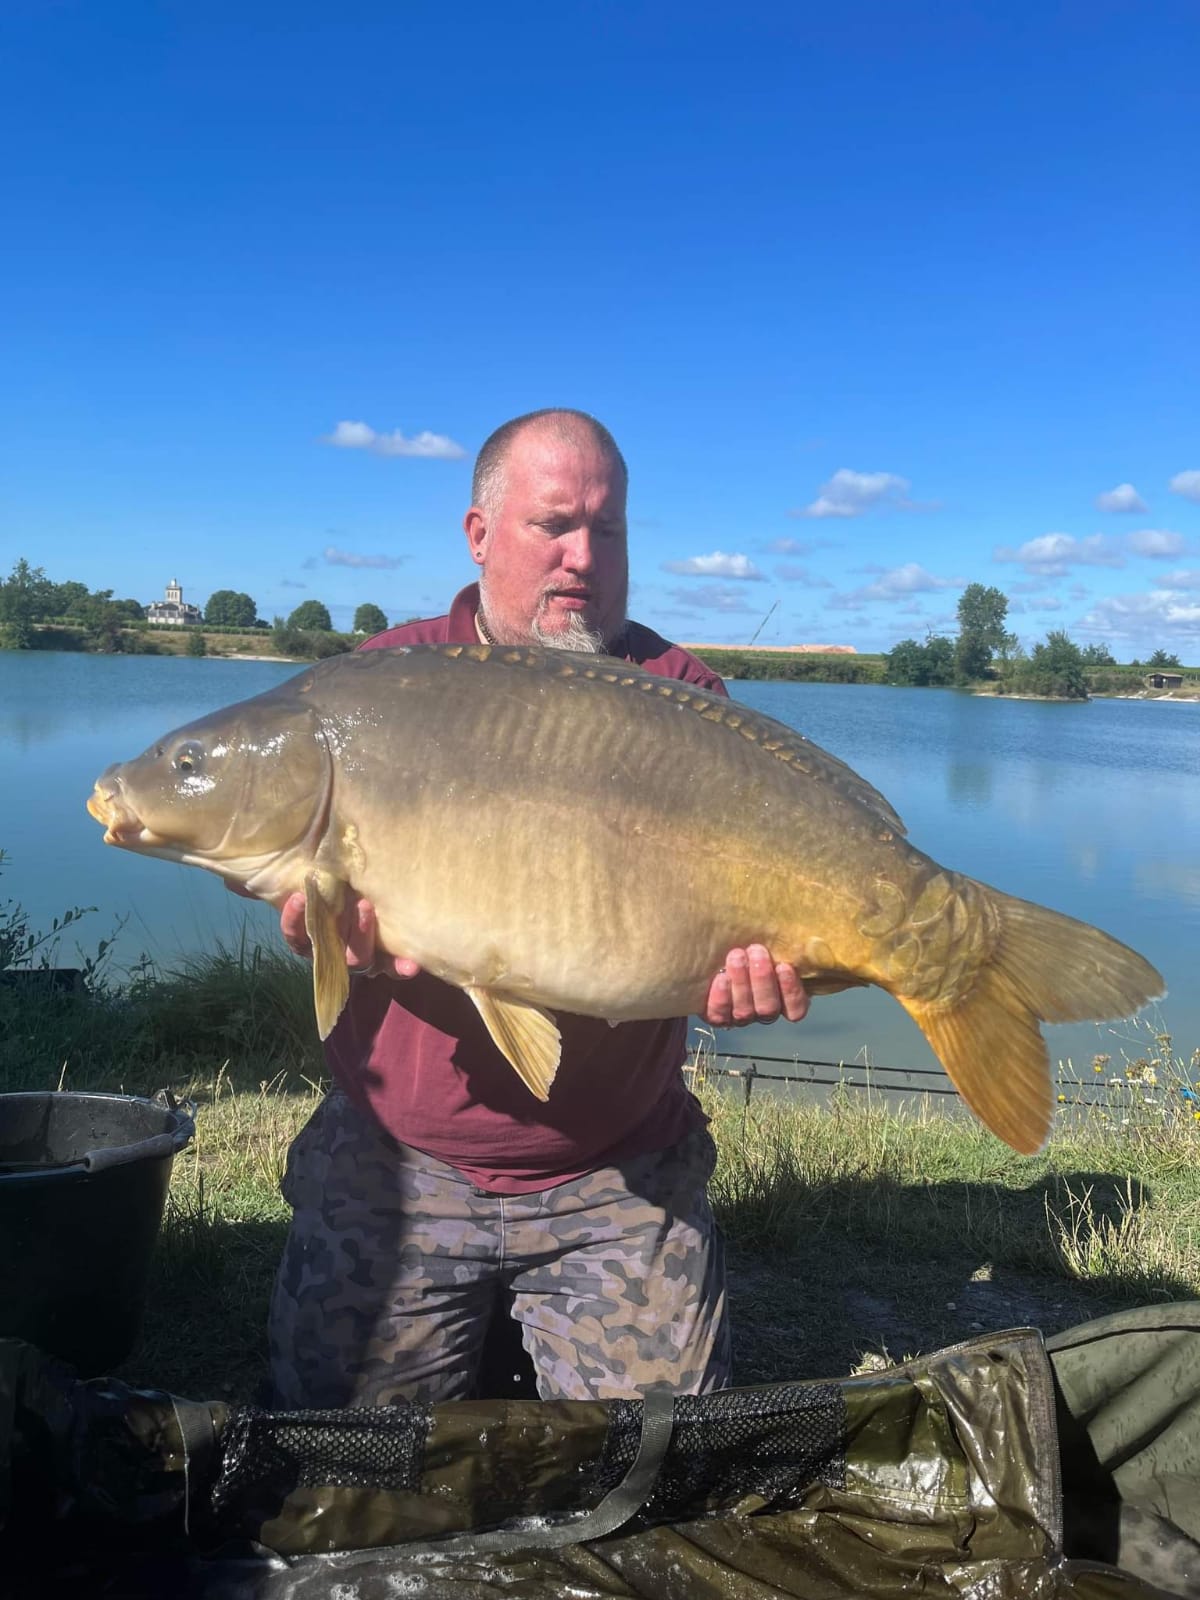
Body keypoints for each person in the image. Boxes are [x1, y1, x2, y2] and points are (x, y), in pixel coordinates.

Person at [266, 409, 810, 1408]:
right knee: (335, 1464)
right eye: (553, 525)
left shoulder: (679, 693)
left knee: (650, 1479)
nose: (584, 559)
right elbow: (301, 889)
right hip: (403, 1156)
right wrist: (313, 922)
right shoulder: (379, 686)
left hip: (615, 1169)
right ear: (479, 535)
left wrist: (750, 973)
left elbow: (739, 929)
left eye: (609, 532)